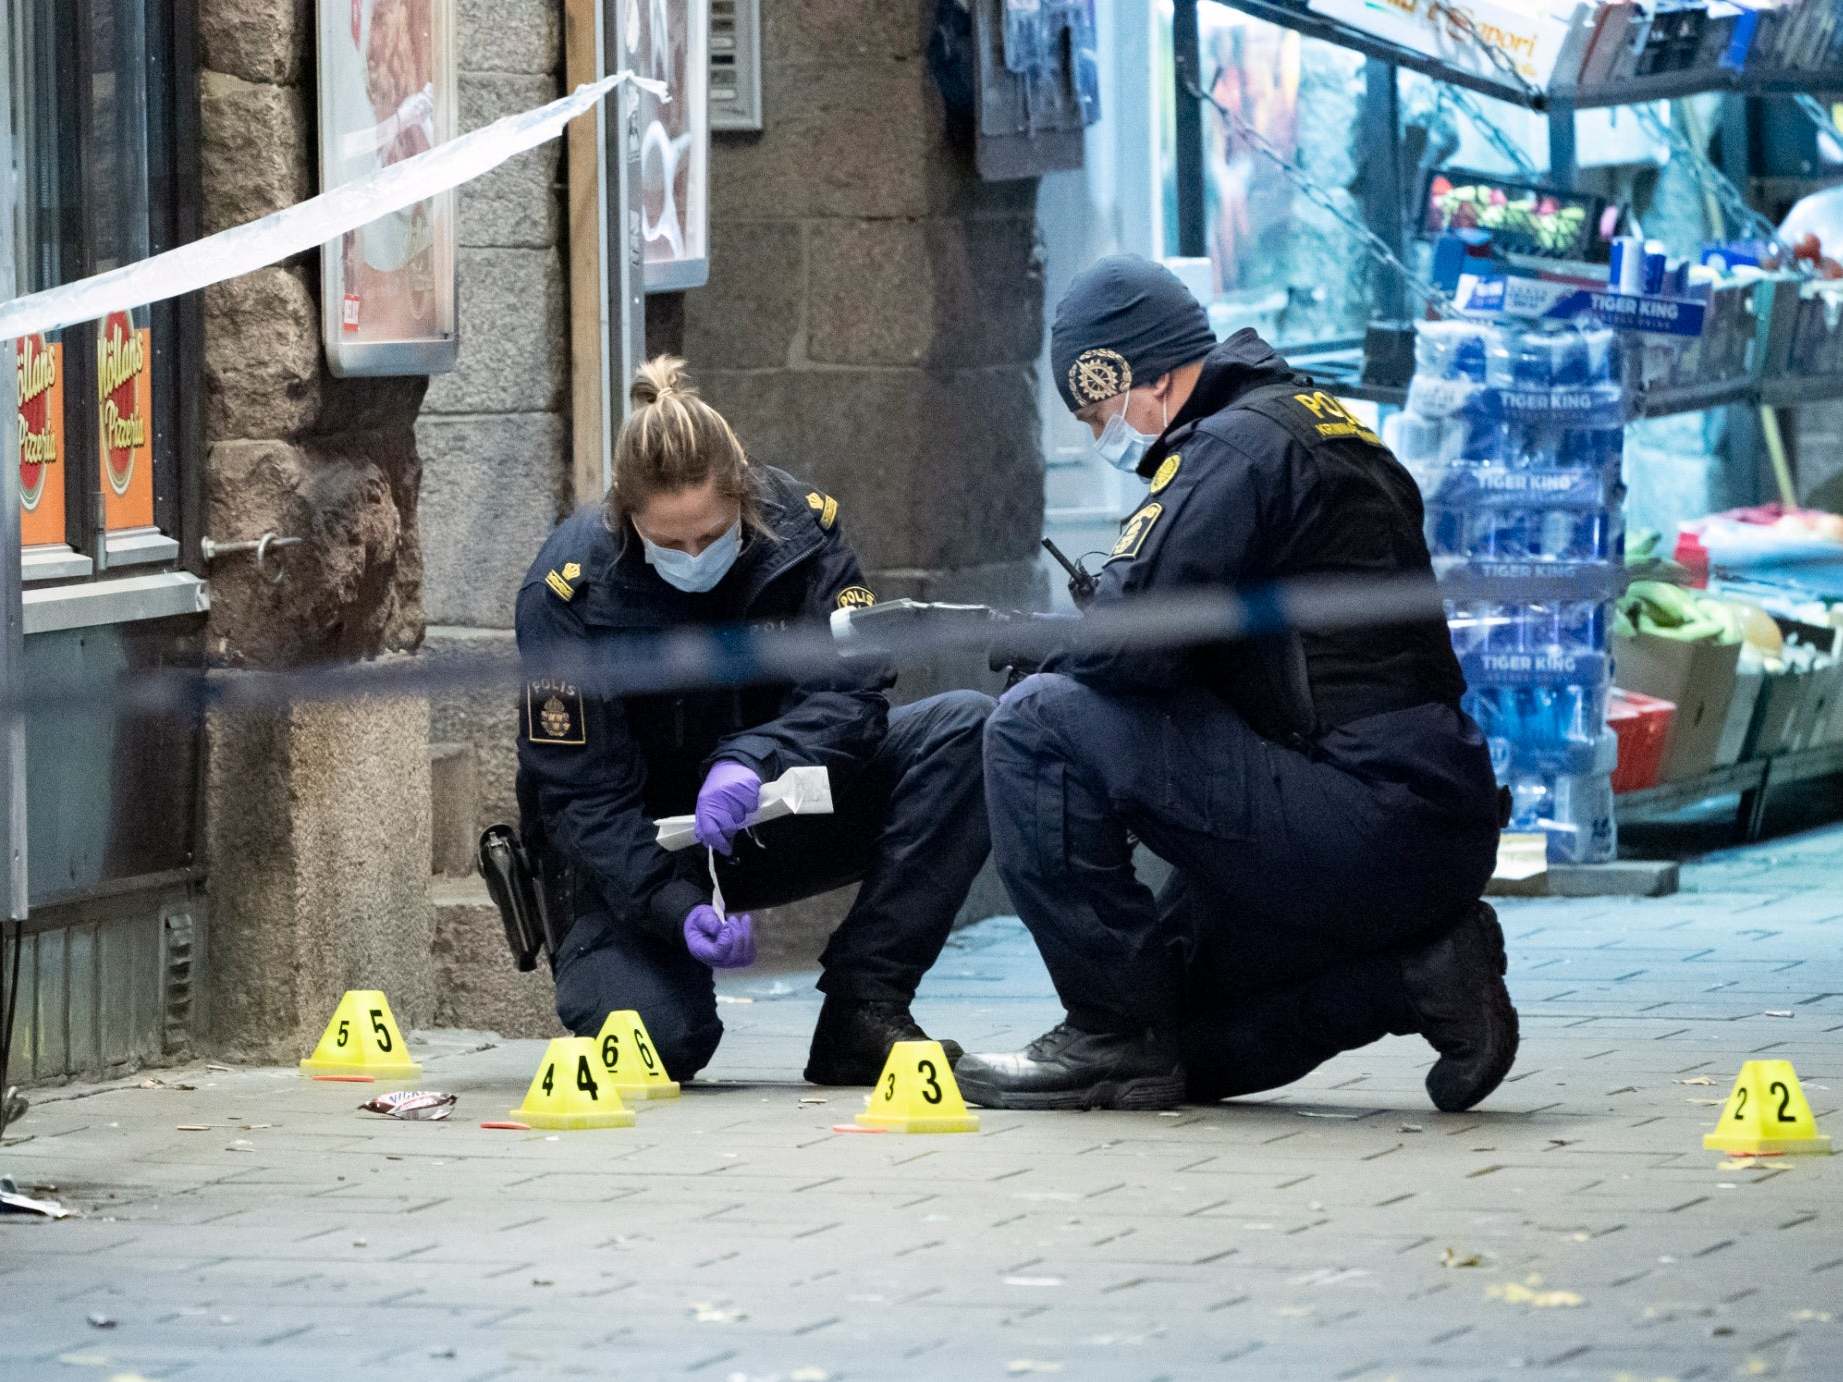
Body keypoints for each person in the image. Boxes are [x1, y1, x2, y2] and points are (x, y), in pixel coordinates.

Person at [954, 256, 1516, 1113]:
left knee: (1035, 722)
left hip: (1355, 810)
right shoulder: (1316, 425)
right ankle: (1419, 977)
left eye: (1098, 411)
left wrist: (1034, 647)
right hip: (1418, 824)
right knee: (1181, 1049)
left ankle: (1106, 1029)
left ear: (1138, 374)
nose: (1104, 435)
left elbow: (1130, 644)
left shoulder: (1229, 450)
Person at [515, 356, 993, 1085]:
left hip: (767, 812)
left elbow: (854, 691)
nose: (693, 556)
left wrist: (755, 760)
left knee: (966, 730)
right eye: (668, 543)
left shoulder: (803, 535)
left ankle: (864, 1009)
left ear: (742, 495)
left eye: (710, 534)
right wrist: (674, 907)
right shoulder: (567, 593)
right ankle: (650, 968)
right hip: (636, 855)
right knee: (660, 1047)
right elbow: (580, 797)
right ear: (626, 515)